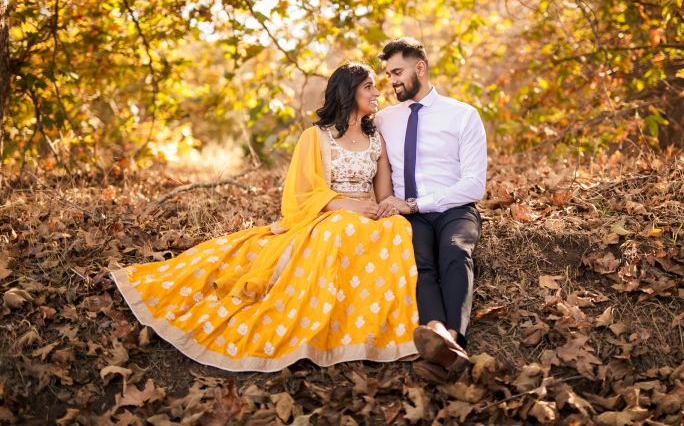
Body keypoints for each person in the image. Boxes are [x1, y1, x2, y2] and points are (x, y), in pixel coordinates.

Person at [111, 62, 419, 371]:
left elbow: (383, 195)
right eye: (368, 86)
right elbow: (301, 194)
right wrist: (346, 206)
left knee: (397, 229)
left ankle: (376, 326)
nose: (377, 92)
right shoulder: (316, 137)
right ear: (348, 92)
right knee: (339, 229)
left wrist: (387, 207)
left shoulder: (376, 140)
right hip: (328, 215)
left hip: (367, 217)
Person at [374, 38, 487, 381]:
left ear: (420, 68)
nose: (392, 81)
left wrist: (414, 205)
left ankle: (453, 341)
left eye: (397, 72)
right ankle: (436, 332)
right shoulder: (383, 119)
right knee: (419, 262)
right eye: (388, 74)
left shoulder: (462, 115)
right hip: (410, 216)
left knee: (455, 252)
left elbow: (474, 185)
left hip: (454, 209)